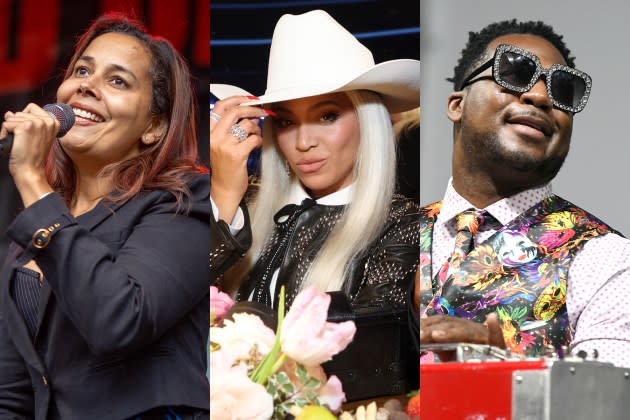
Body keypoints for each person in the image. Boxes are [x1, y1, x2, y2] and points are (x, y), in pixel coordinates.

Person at [0, 13, 210, 419]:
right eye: (82, 70)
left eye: (118, 81)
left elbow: (119, 320)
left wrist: (30, 178)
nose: (87, 86)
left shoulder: (185, 201)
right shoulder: (34, 228)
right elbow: (12, 391)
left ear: (153, 127)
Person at [210, 9, 420, 399]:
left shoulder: (402, 222)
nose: (304, 142)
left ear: (367, 121)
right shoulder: (244, 208)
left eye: (326, 115)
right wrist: (222, 195)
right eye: (287, 122)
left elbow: (368, 354)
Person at [417, 19, 630, 367]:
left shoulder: (607, 261)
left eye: (563, 90)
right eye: (515, 74)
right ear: (457, 104)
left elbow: (608, 402)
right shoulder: (397, 231)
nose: (540, 96)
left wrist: (507, 363)